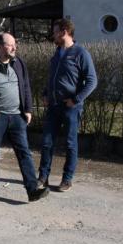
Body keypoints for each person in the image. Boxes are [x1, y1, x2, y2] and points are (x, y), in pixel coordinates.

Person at [0, 32, 46, 202]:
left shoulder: (19, 63)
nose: (14, 47)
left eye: (14, 44)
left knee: (24, 153)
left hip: (17, 116)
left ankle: (32, 190)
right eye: (10, 45)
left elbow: (25, 86)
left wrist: (28, 109)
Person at [37, 18, 97, 192]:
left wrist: (76, 99)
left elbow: (92, 81)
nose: (53, 35)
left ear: (64, 32)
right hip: (53, 106)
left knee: (70, 144)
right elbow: (52, 78)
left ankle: (67, 179)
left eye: (55, 32)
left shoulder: (80, 53)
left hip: (71, 107)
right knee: (47, 142)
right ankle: (43, 177)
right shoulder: (57, 53)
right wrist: (46, 94)